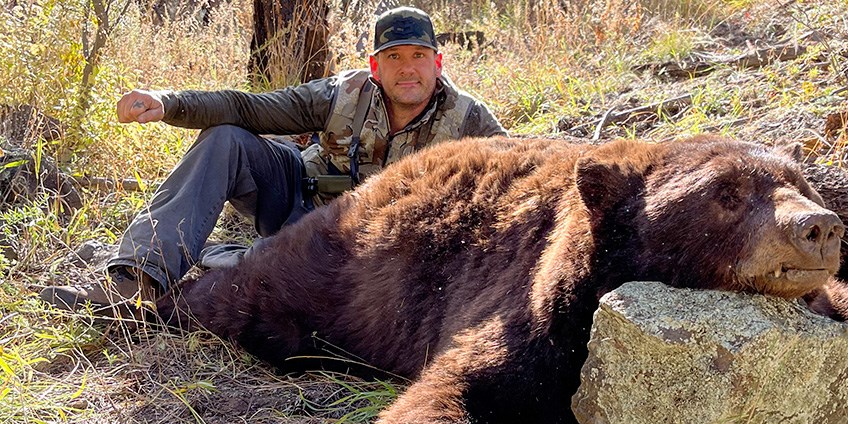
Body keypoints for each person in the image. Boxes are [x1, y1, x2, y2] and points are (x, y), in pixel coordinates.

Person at [41, 6, 506, 315]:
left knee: (276, 274)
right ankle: (135, 281)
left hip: (367, 248)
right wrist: (169, 102)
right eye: (394, 57)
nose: (408, 68)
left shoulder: (472, 120)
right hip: (298, 203)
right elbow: (250, 109)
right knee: (225, 138)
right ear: (374, 64)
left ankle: (225, 259)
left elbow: (516, 181)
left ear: (438, 62)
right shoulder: (341, 93)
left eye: (419, 56)